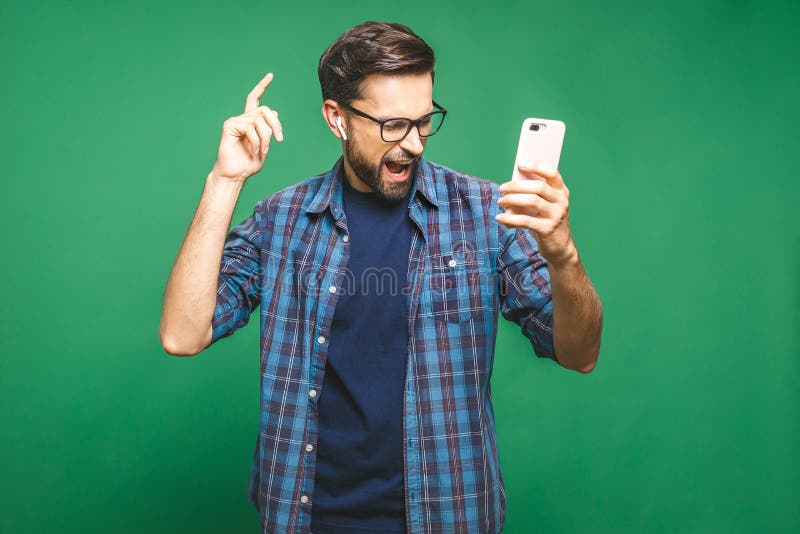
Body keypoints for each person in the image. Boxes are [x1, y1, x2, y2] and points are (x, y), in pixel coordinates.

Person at [159, 21, 603, 534]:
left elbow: (580, 353)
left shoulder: (485, 214)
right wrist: (225, 180)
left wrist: (563, 254)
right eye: (393, 125)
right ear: (337, 118)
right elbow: (182, 333)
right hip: (306, 518)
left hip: (448, 516)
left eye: (423, 121)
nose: (413, 144)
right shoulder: (281, 221)